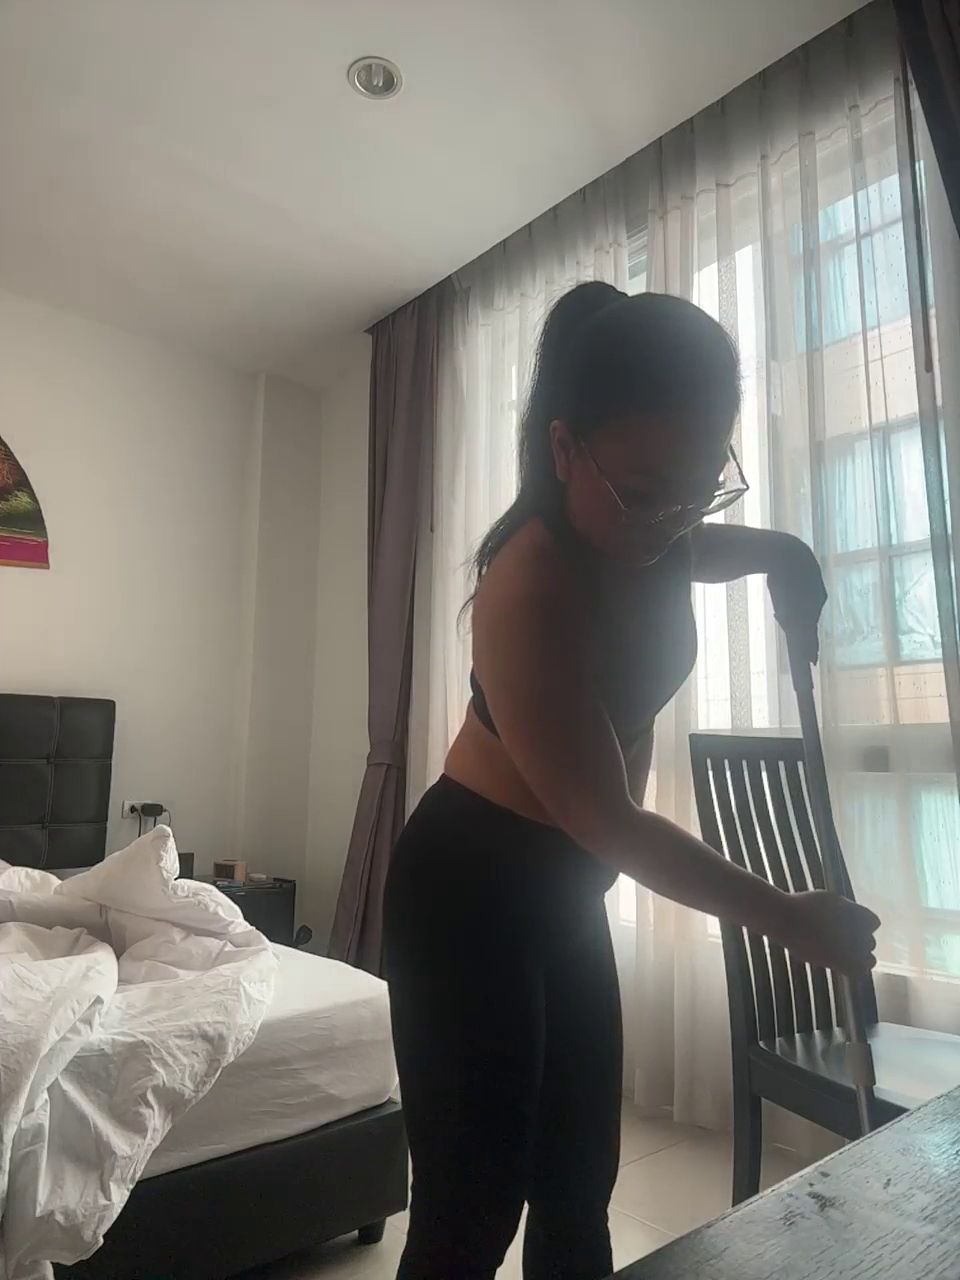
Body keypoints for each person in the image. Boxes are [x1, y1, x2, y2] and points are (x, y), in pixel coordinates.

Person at [383, 282, 879, 1280]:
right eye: (650, 491)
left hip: (567, 890)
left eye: (702, 485)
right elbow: (609, 820)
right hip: (470, 888)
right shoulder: (530, 584)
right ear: (566, 449)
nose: (674, 519)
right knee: (471, 1211)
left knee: (578, 1187)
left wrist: (786, 554)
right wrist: (790, 918)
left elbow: (703, 544)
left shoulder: (649, 524)